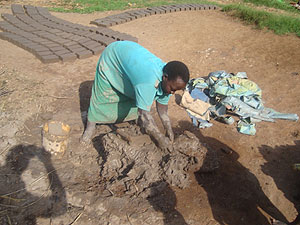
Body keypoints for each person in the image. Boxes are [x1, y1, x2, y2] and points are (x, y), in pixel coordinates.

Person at [81, 40, 190, 151]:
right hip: (114, 55)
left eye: (175, 91)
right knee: (105, 94)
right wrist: (160, 138)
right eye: (172, 89)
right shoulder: (148, 81)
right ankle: (90, 125)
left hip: (131, 58)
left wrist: (168, 129)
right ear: (165, 77)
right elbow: (143, 114)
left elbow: (162, 105)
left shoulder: (169, 78)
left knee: (137, 96)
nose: (172, 93)